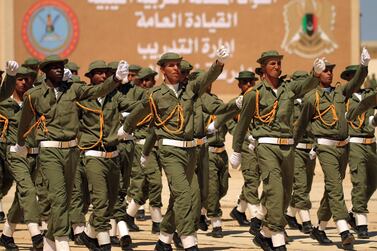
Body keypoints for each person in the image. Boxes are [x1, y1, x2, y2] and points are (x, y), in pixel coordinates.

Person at [14, 55, 128, 251]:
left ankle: (48, 245)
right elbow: (25, 121)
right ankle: (63, 245)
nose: (59, 69)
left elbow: (96, 90)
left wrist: (115, 79)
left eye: (61, 67)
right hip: (50, 151)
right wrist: (20, 143)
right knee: (58, 199)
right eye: (54, 67)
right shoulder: (34, 95)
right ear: (45, 71)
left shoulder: (73, 89)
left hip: (72, 152)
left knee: (65, 202)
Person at [120, 47, 229, 251]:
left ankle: (164, 238)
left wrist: (218, 63)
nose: (176, 69)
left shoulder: (190, 90)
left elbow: (206, 78)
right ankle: (188, 240)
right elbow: (139, 111)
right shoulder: (156, 94)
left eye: (178, 65)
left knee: (191, 197)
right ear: (162, 69)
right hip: (170, 151)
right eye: (171, 65)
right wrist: (125, 129)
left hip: (191, 152)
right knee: (184, 195)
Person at [231, 50, 321, 250]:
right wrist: (237, 149)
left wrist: (315, 73)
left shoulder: (288, 89)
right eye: (272, 64)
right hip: (266, 145)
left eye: (279, 63)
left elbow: (307, 84)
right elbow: (242, 123)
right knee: (274, 191)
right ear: (263, 67)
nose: (277, 67)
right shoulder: (254, 94)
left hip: (287, 147)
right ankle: (278, 241)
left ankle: (264, 234)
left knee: (286, 194)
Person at [294, 47, 370, 250]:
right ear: (318, 73)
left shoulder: (340, 92)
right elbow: (301, 125)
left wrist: (363, 66)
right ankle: (344, 230)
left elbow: (355, 83)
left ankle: (320, 227)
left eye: (331, 70)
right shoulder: (311, 97)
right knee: (335, 187)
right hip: (325, 147)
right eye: (325, 70)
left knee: (332, 189)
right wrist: (294, 147)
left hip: (343, 147)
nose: (329, 72)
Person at [0, 66, 44, 251]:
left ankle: (6, 236)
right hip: (14, 153)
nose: (24, 82)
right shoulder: (3, 102)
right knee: (28, 191)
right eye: (20, 79)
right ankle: (36, 235)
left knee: (21, 197)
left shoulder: (35, 101)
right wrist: (9, 77)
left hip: (34, 153)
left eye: (28, 79)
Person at [340, 64, 377, 239]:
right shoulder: (343, 99)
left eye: (361, 77)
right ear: (348, 79)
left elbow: (370, 120)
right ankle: (361, 221)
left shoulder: (369, 96)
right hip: (354, 143)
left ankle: (355, 211)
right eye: (355, 77)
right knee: (360, 181)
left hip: (371, 144)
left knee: (374, 181)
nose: (359, 80)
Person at [284, 71, 316, 235]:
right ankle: (307, 223)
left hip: (310, 149)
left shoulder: (311, 102)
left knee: (306, 186)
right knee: (301, 187)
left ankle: (290, 215)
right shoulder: (288, 103)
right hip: (295, 149)